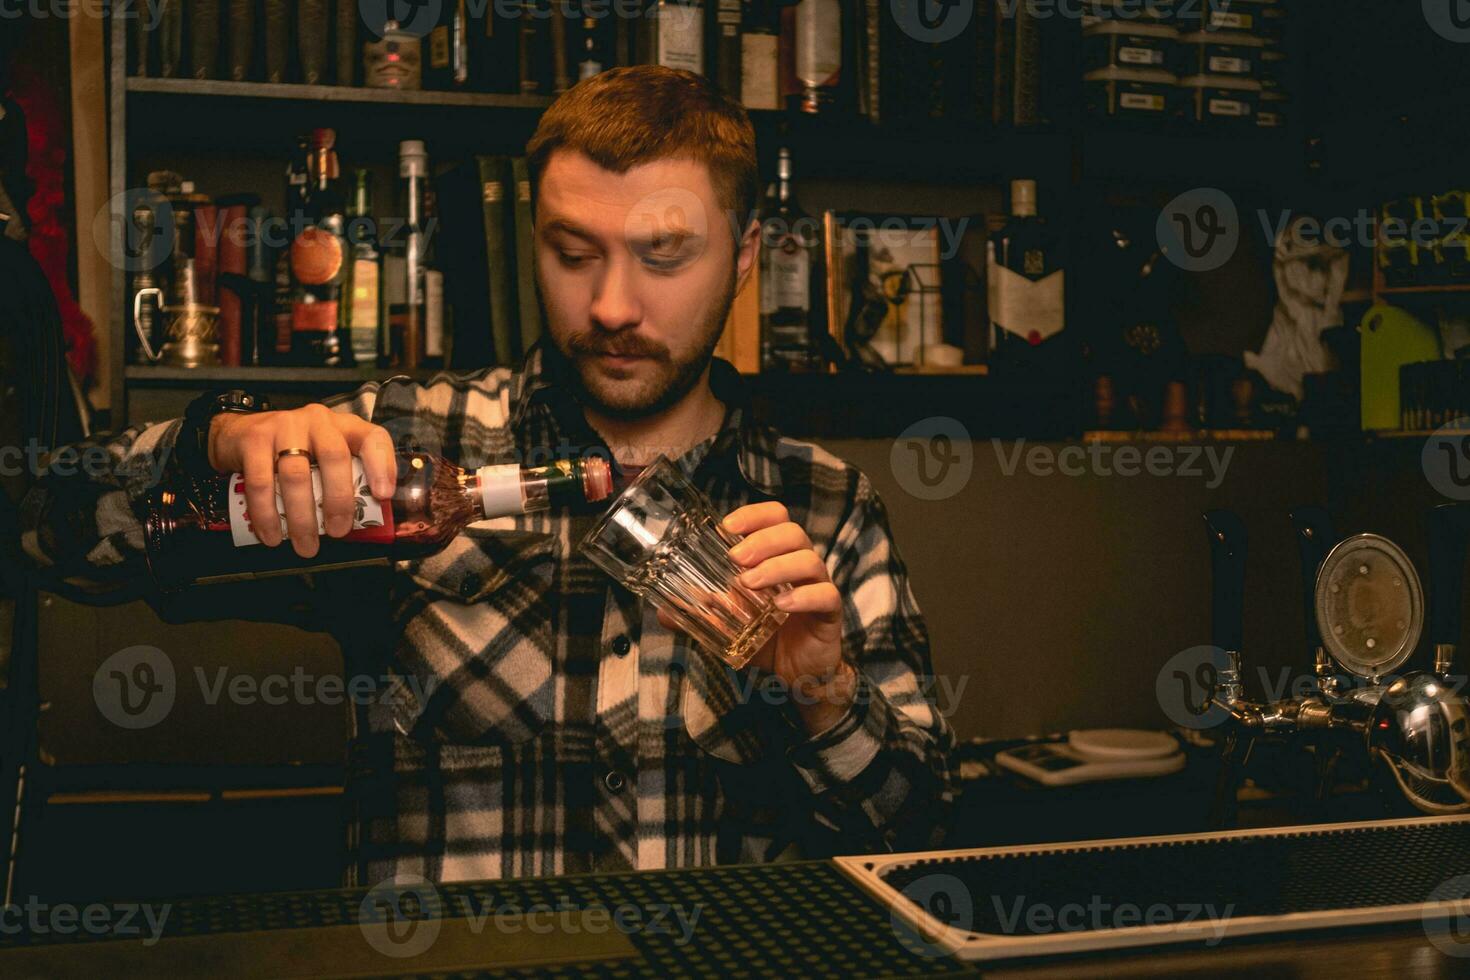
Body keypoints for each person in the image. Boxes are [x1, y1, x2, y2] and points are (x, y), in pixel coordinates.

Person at [21, 66, 955, 884]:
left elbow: (913, 838)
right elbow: (39, 527)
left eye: (665, 256)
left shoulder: (825, 509)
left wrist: (822, 698)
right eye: (572, 253)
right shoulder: (403, 441)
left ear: (746, 256)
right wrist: (217, 446)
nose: (613, 305)